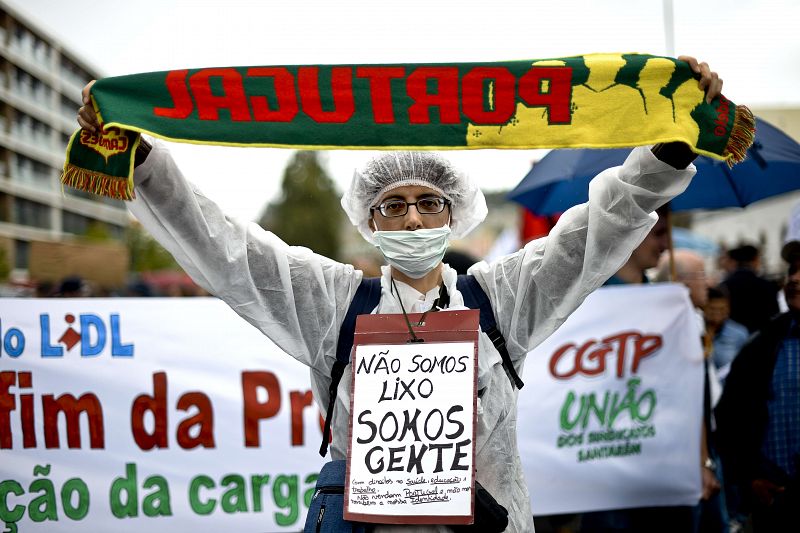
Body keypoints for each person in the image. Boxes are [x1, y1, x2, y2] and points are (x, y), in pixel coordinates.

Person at [77, 57, 722, 532]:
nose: (412, 219)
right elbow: (229, 251)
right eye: (393, 205)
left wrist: (663, 154)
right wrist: (146, 164)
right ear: (370, 220)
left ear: (452, 213)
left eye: (427, 203)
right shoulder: (332, 304)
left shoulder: (501, 300)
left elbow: (591, 236)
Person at [715, 261, 800, 532]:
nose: (795, 279)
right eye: (792, 271)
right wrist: (749, 477)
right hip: (772, 497)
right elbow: (730, 415)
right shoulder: (763, 343)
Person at [720, 245, 779, 333]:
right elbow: (774, 315)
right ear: (755, 260)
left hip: (733, 338)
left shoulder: (724, 285)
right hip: (761, 338)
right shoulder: (767, 285)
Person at [704, 286, 749, 387]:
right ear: (704, 308)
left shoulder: (739, 334)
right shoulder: (697, 332)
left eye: (722, 309)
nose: (717, 313)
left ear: (728, 308)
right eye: (712, 309)